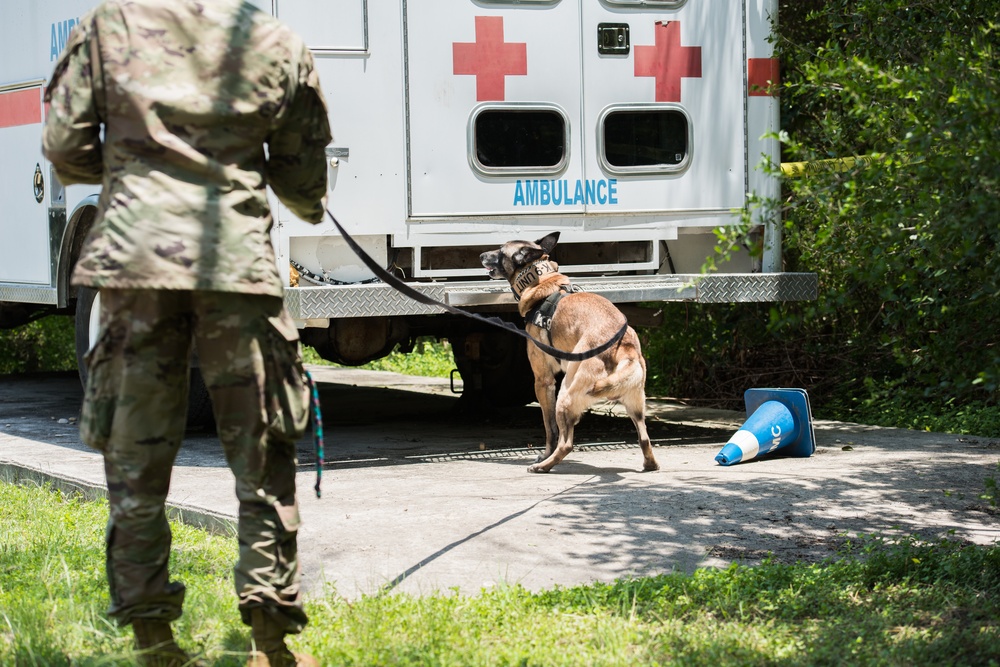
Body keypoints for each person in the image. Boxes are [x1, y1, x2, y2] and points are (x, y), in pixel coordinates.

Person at [43, 1, 332, 665]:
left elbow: (63, 146)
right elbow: (300, 172)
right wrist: (294, 195)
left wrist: (131, 173)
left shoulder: (106, 27)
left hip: (133, 263)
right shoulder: (274, 38)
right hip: (236, 266)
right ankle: (270, 642)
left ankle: (154, 641)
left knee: (136, 459)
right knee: (262, 455)